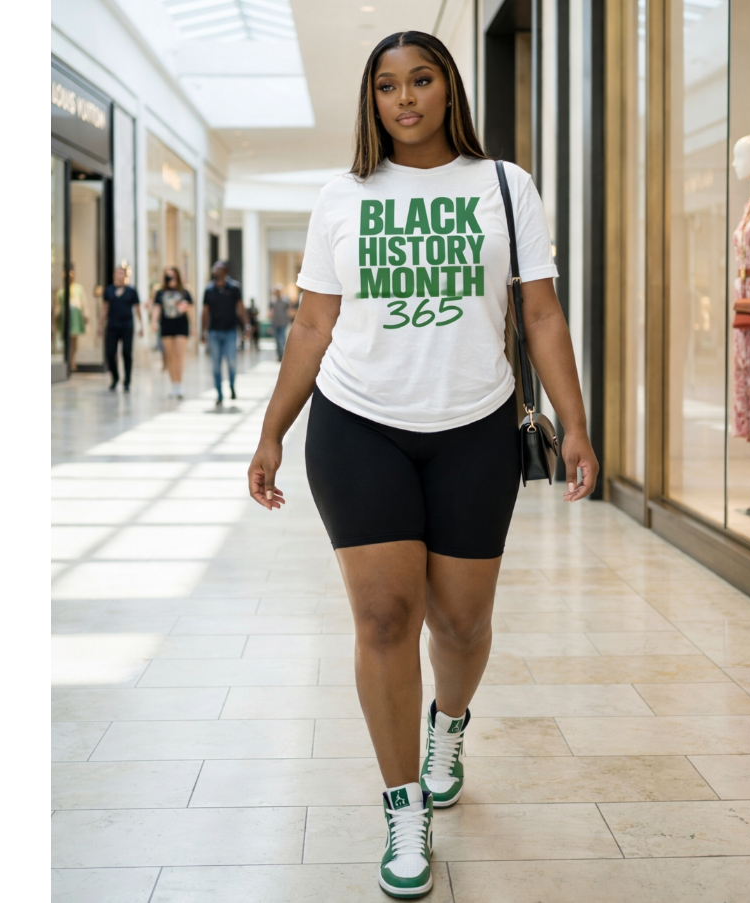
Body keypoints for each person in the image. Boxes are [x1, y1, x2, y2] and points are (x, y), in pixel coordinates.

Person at [247, 31, 598, 898]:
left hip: (473, 428)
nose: (404, 98)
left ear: (448, 91)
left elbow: (542, 315)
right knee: (382, 619)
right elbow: (312, 328)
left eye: (421, 80)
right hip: (356, 425)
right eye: (387, 86)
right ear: (371, 102)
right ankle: (403, 803)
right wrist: (270, 432)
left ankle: (450, 721)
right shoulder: (341, 196)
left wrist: (576, 425)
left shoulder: (504, 187)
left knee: (461, 624)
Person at [202, 261, 251, 405]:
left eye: (217, 268)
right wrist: (203, 332)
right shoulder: (209, 289)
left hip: (230, 331)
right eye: (214, 268)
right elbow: (205, 312)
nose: (214, 270)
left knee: (231, 362)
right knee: (216, 365)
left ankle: (232, 386)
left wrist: (246, 326)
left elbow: (240, 308)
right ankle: (219, 393)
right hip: (214, 332)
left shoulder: (234, 288)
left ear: (225, 271)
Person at [153, 267, 193, 399]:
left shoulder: (184, 291)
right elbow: (157, 307)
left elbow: (191, 307)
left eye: (172, 276)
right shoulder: (160, 292)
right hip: (166, 325)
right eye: (167, 276)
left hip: (181, 325)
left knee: (179, 355)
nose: (170, 279)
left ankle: (180, 384)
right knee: (169, 356)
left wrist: (184, 306)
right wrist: (153, 322)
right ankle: (174, 385)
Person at [101, 267, 143, 392]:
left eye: (121, 273)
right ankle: (115, 377)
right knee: (110, 352)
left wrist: (141, 325)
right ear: (114, 274)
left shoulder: (131, 291)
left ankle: (127, 381)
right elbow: (105, 307)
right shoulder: (109, 290)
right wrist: (99, 324)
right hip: (112, 325)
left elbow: (137, 308)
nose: (119, 275)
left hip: (127, 325)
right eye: (117, 272)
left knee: (126, 353)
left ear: (125, 275)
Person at [55, 267, 88, 371]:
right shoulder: (61, 290)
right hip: (65, 318)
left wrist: (86, 313)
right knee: (66, 339)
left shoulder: (78, 288)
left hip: (75, 317)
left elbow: (83, 302)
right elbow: (57, 306)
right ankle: (67, 360)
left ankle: (72, 359)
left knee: (73, 339)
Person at [268, 285, 293, 361]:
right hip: (275, 323)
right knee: (277, 341)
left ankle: (282, 356)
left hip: (283, 323)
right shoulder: (272, 301)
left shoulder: (285, 301)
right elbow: (270, 311)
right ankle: (278, 356)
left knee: (281, 340)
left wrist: (289, 321)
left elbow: (289, 311)